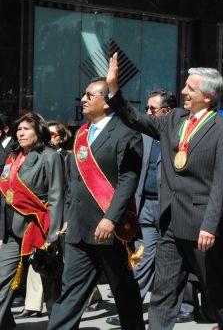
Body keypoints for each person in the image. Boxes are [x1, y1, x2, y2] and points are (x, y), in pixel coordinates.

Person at [106, 53, 223, 330]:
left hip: (201, 227)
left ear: (208, 95)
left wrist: (210, 225)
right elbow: (135, 119)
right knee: (163, 293)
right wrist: (114, 90)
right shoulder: (174, 118)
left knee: (216, 290)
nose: (183, 92)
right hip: (169, 223)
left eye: (190, 88)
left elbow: (222, 183)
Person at [47, 77, 144, 330]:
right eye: (84, 95)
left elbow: (128, 179)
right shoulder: (81, 133)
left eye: (90, 95)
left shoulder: (125, 132)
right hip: (79, 229)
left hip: (109, 230)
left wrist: (110, 218)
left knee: (124, 292)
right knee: (71, 293)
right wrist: (69, 215)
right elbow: (74, 181)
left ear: (107, 101)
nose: (84, 100)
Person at [105, 88, 178, 326]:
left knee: (179, 258)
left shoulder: (178, 134)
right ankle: (131, 308)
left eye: (152, 109)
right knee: (142, 257)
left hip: (172, 208)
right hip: (145, 205)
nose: (147, 112)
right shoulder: (143, 135)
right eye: (146, 108)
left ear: (166, 112)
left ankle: (188, 304)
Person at [0, 112, 64, 330]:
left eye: (26, 129)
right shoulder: (12, 157)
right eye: (19, 129)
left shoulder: (49, 156)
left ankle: (60, 325)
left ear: (39, 131)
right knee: (2, 279)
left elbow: (56, 196)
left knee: (50, 284)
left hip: (38, 227)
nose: (21, 133)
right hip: (10, 229)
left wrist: (53, 235)